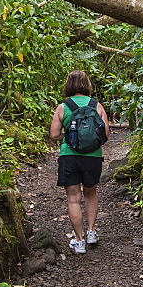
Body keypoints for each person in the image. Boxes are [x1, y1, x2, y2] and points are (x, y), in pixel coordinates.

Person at [49, 70, 110, 254]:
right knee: (90, 193)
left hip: (69, 156)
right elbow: (105, 134)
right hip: (93, 156)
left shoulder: (63, 107)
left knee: (73, 199)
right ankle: (91, 231)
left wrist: (69, 136)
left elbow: (53, 135)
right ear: (87, 84)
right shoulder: (96, 105)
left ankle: (79, 240)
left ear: (68, 85)